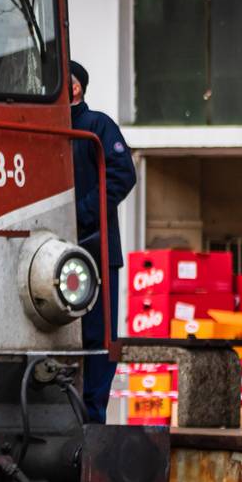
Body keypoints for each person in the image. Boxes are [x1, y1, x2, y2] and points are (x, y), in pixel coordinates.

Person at [69, 60, 137, 423]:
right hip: (54, 249)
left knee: (98, 336)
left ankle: (93, 416)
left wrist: (82, 213)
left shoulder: (97, 126)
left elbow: (122, 174)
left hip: (95, 248)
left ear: (76, 86)